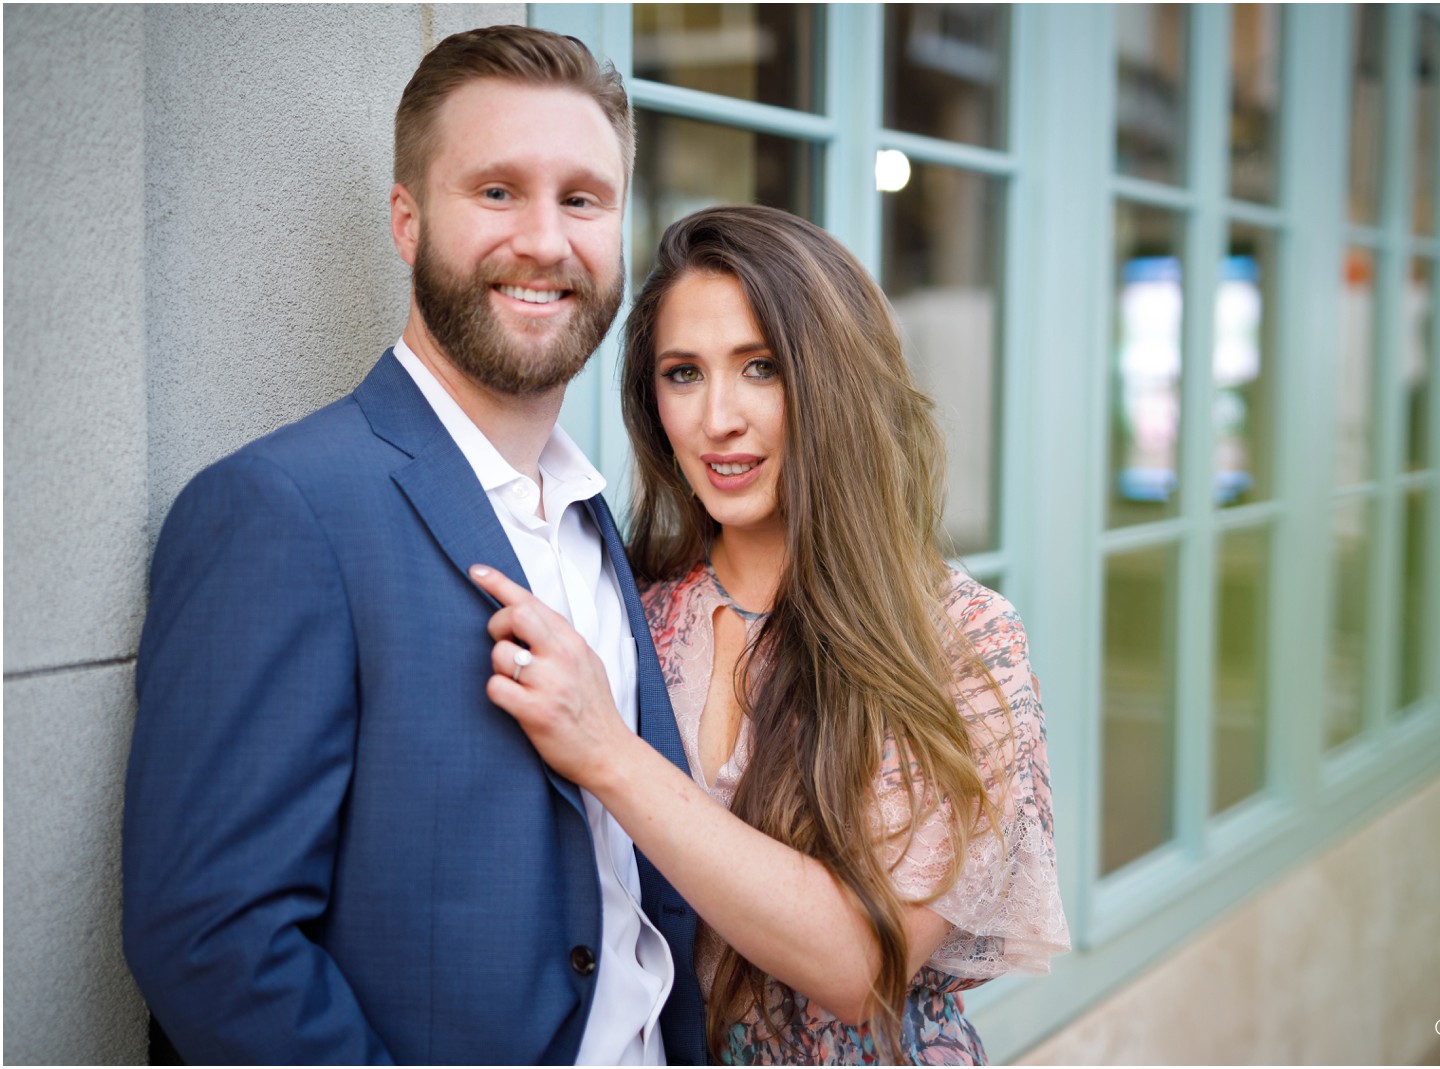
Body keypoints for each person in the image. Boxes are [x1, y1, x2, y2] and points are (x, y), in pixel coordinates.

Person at [121, 26, 705, 1065]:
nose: (543, 239)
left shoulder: (592, 516)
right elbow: (211, 942)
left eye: (582, 199)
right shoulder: (278, 508)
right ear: (405, 219)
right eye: (495, 192)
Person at [470, 205, 1069, 1065]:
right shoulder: (629, 610)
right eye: (683, 373)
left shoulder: (964, 643)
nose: (719, 418)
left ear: (831, 381)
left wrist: (609, 750)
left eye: (761, 367)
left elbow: (863, 965)